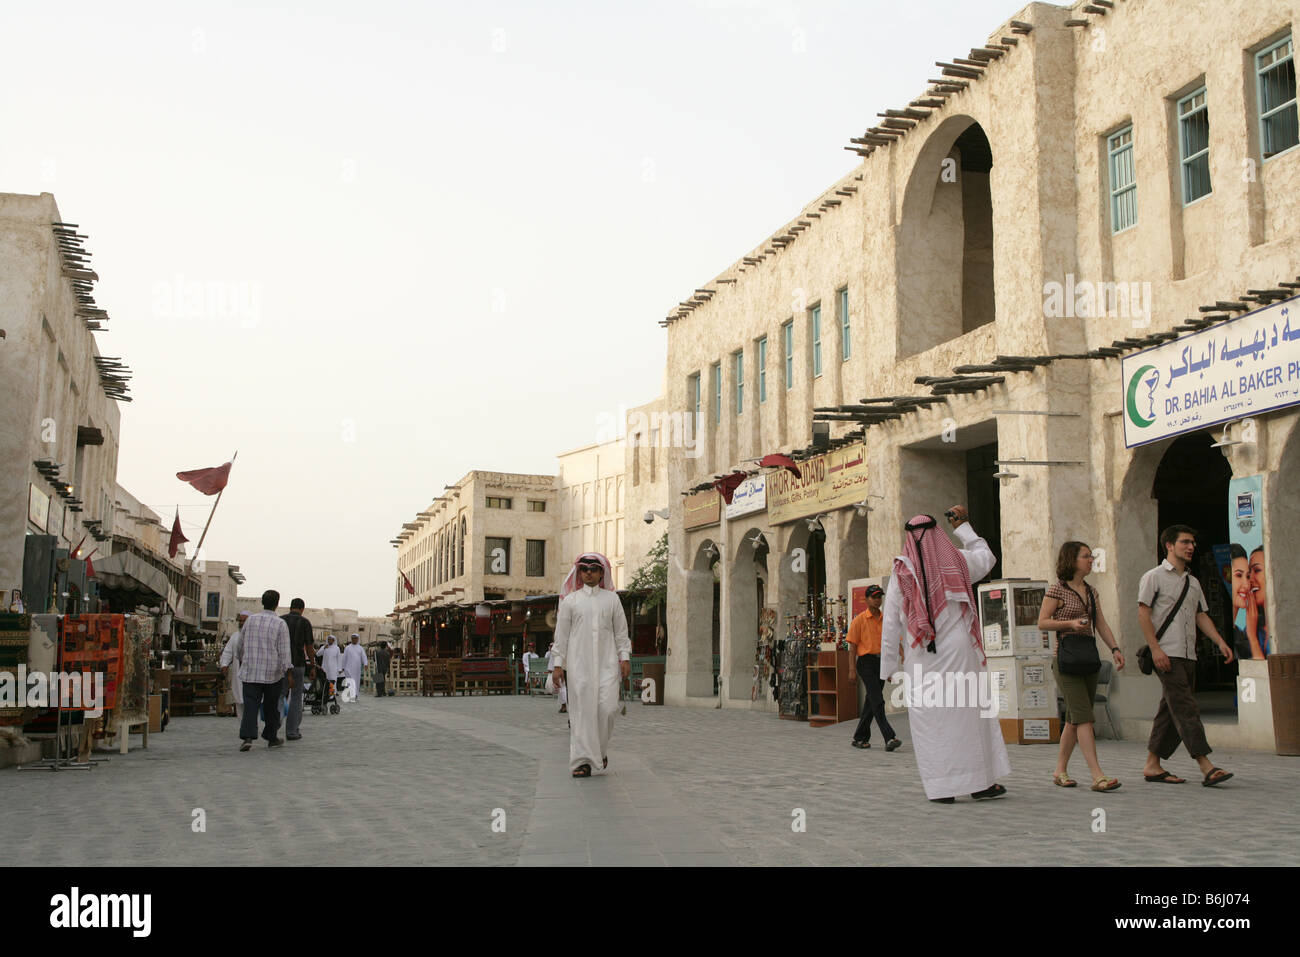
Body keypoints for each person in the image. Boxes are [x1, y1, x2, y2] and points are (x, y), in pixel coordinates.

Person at [880, 505, 1010, 803]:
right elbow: (987, 558)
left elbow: (890, 623)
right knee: (970, 717)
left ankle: (942, 789)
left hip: (922, 657)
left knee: (933, 722)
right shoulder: (958, 560)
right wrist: (964, 526)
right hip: (960, 653)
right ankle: (980, 784)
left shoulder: (901, 570)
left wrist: (887, 666)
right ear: (938, 532)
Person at [1139, 525, 1235, 787]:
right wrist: (1156, 649)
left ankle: (1152, 764)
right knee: (1185, 707)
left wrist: (1219, 641)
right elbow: (1143, 614)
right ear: (1169, 545)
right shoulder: (1153, 577)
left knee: (1170, 710)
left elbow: (1200, 615)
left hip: (1188, 653)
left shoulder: (1193, 582)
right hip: (1166, 653)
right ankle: (1206, 765)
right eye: (1185, 542)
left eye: (1193, 542)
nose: (1191, 547)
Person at [1036, 541, 1124, 792]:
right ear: (1072, 560)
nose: (1091, 559)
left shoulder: (1091, 591)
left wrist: (1115, 649)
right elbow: (1042, 622)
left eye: (1091, 556)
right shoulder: (1057, 590)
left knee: (1075, 718)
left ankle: (1059, 770)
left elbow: (1101, 623)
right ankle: (1098, 775)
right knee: (1085, 716)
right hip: (1066, 659)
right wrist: (1071, 624)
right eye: (1086, 556)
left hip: (1088, 657)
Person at [551, 553, 631, 778]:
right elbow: (562, 637)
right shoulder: (570, 601)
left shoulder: (612, 600)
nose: (588, 572)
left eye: (593, 568)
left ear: (601, 573)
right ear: (579, 572)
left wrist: (624, 657)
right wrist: (558, 665)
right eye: (584, 568)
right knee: (582, 713)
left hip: (607, 666)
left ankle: (600, 752)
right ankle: (582, 761)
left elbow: (621, 633)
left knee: (607, 710)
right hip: (579, 667)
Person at [846, 585, 901, 751]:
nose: (878, 599)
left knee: (871, 701)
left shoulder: (886, 620)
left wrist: (895, 662)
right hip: (865, 663)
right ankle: (889, 737)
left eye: (880, 596)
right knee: (878, 700)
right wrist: (851, 670)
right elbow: (853, 647)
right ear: (867, 599)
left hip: (881, 662)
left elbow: (893, 642)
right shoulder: (859, 620)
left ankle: (859, 737)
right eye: (874, 596)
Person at [238, 589, 293, 751]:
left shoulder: (250, 621)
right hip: (272, 674)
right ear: (277, 604)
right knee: (271, 707)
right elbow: (284, 651)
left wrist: (242, 660)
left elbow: (240, 645)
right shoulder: (280, 624)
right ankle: (271, 736)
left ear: (262, 602)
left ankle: (248, 737)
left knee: (250, 705)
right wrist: (288, 672)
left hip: (251, 671)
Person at [281, 598, 315, 741]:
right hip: (298, 663)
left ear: (290, 607)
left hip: (281, 664)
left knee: (279, 695)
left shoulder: (280, 620)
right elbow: (309, 647)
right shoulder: (305, 623)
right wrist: (312, 665)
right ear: (302, 609)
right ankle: (292, 731)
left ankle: (274, 725)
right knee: (296, 697)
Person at [219, 610, 251, 719]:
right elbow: (228, 652)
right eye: (240, 621)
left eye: (244, 621)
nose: (241, 623)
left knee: (251, 700)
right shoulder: (235, 636)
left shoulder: (255, 635)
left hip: (252, 674)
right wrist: (224, 664)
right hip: (238, 673)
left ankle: (251, 726)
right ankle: (243, 726)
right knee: (239, 699)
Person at [342, 634, 369, 703]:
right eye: (353, 638)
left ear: (358, 639)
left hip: (357, 669)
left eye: (355, 638)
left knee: (356, 682)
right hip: (348, 668)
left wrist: (365, 664)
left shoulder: (360, 648)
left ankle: (355, 694)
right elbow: (344, 658)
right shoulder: (347, 648)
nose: (354, 640)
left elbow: (364, 657)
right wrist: (342, 667)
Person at [545, 640, 568, 713]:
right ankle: (564, 705)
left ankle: (564, 705)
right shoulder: (555, 651)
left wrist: (552, 669)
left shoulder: (557, 650)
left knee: (562, 688)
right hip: (563, 669)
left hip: (562, 669)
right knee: (562, 688)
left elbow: (553, 662)